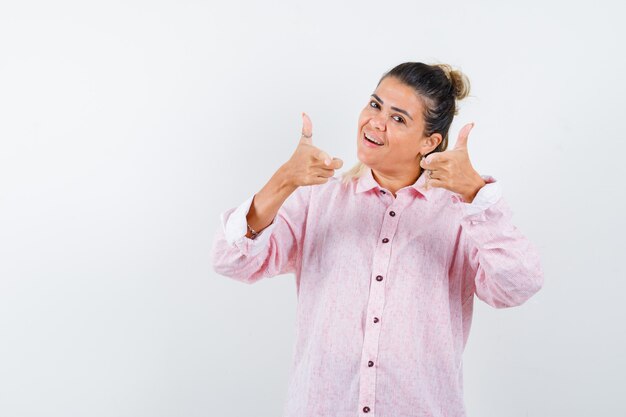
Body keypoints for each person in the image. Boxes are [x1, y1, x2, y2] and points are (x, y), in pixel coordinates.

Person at [210, 62, 544, 417]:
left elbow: (517, 286)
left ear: (430, 142)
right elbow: (232, 261)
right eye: (374, 104)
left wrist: (476, 194)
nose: (376, 122)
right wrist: (283, 182)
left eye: (398, 118)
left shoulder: (460, 214)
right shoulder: (319, 199)